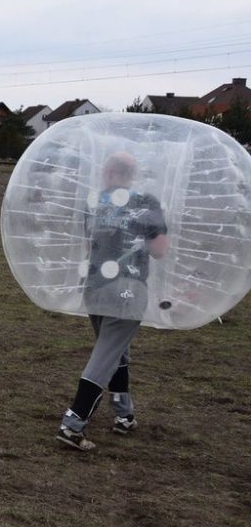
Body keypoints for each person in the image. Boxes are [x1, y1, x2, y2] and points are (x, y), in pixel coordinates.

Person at [57, 151, 169, 451]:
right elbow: (159, 250)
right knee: (106, 356)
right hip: (127, 291)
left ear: (108, 172)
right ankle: (73, 423)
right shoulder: (146, 203)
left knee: (116, 350)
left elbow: (89, 243)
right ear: (131, 174)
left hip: (94, 287)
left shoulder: (93, 202)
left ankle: (124, 415)